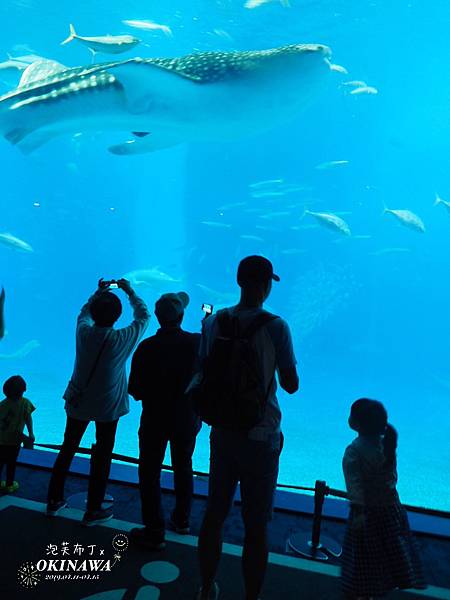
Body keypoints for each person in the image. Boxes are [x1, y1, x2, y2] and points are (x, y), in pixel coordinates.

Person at [197, 255, 299, 600]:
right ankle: (251, 597)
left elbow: (202, 370)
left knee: (214, 514)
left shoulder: (214, 322)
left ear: (239, 281)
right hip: (261, 435)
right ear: (267, 284)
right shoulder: (276, 326)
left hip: (222, 430)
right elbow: (291, 384)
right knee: (256, 524)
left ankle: (205, 586)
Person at [47, 278, 150, 526]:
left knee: (68, 447)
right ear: (117, 316)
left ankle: (53, 500)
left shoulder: (82, 332)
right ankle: (93, 509)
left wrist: (98, 292)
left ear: (94, 313)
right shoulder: (122, 338)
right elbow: (144, 317)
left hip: (78, 402)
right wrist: (129, 290)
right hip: (107, 407)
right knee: (103, 454)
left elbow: (83, 313)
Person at [128, 291, 201, 550]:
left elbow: (134, 390)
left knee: (149, 471)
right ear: (182, 316)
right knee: (183, 467)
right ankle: (182, 520)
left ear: (157, 317)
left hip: (154, 419)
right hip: (186, 419)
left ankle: (154, 528)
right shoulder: (196, 343)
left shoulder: (146, 348)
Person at [341, 398, 426, 599]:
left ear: (356, 423)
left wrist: (359, 511)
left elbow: (355, 486)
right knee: (385, 554)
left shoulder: (354, 451)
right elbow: (391, 478)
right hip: (391, 512)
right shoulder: (387, 446)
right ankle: (379, 588)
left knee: (363, 558)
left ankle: (361, 592)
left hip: (367, 516)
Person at [0, 375, 35, 492]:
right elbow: (28, 419)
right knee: (11, 462)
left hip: (1, 439)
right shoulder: (25, 403)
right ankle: (9, 484)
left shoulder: (2, 404)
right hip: (14, 441)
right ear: (23, 390)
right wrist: (31, 434)